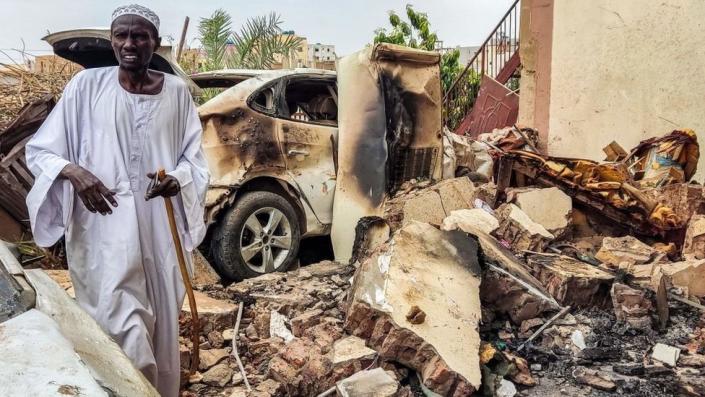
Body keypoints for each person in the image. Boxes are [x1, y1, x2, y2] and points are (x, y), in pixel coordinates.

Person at [25, 4, 209, 396]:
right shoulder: (86, 86)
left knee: (160, 321)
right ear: (111, 40)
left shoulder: (177, 93)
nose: (129, 43)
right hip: (102, 228)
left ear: (155, 43)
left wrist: (176, 179)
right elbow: (41, 151)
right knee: (121, 324)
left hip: (160, 226)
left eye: (139, 36)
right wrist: (75, 173)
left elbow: (194, 160)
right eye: (121, 35)